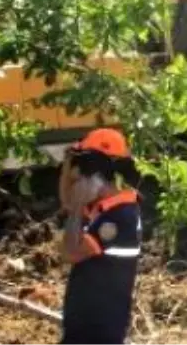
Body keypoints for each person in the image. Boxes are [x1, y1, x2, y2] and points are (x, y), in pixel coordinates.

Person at [58, 127, 142, 345]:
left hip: (98, 333)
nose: (74, 181)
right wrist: (69, 161)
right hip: (85, 331)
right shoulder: (104, 206)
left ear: (95, 176)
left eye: (78, 175)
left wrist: (78, 205)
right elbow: (67, 200)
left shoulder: (119, 217)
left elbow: (69, 253)